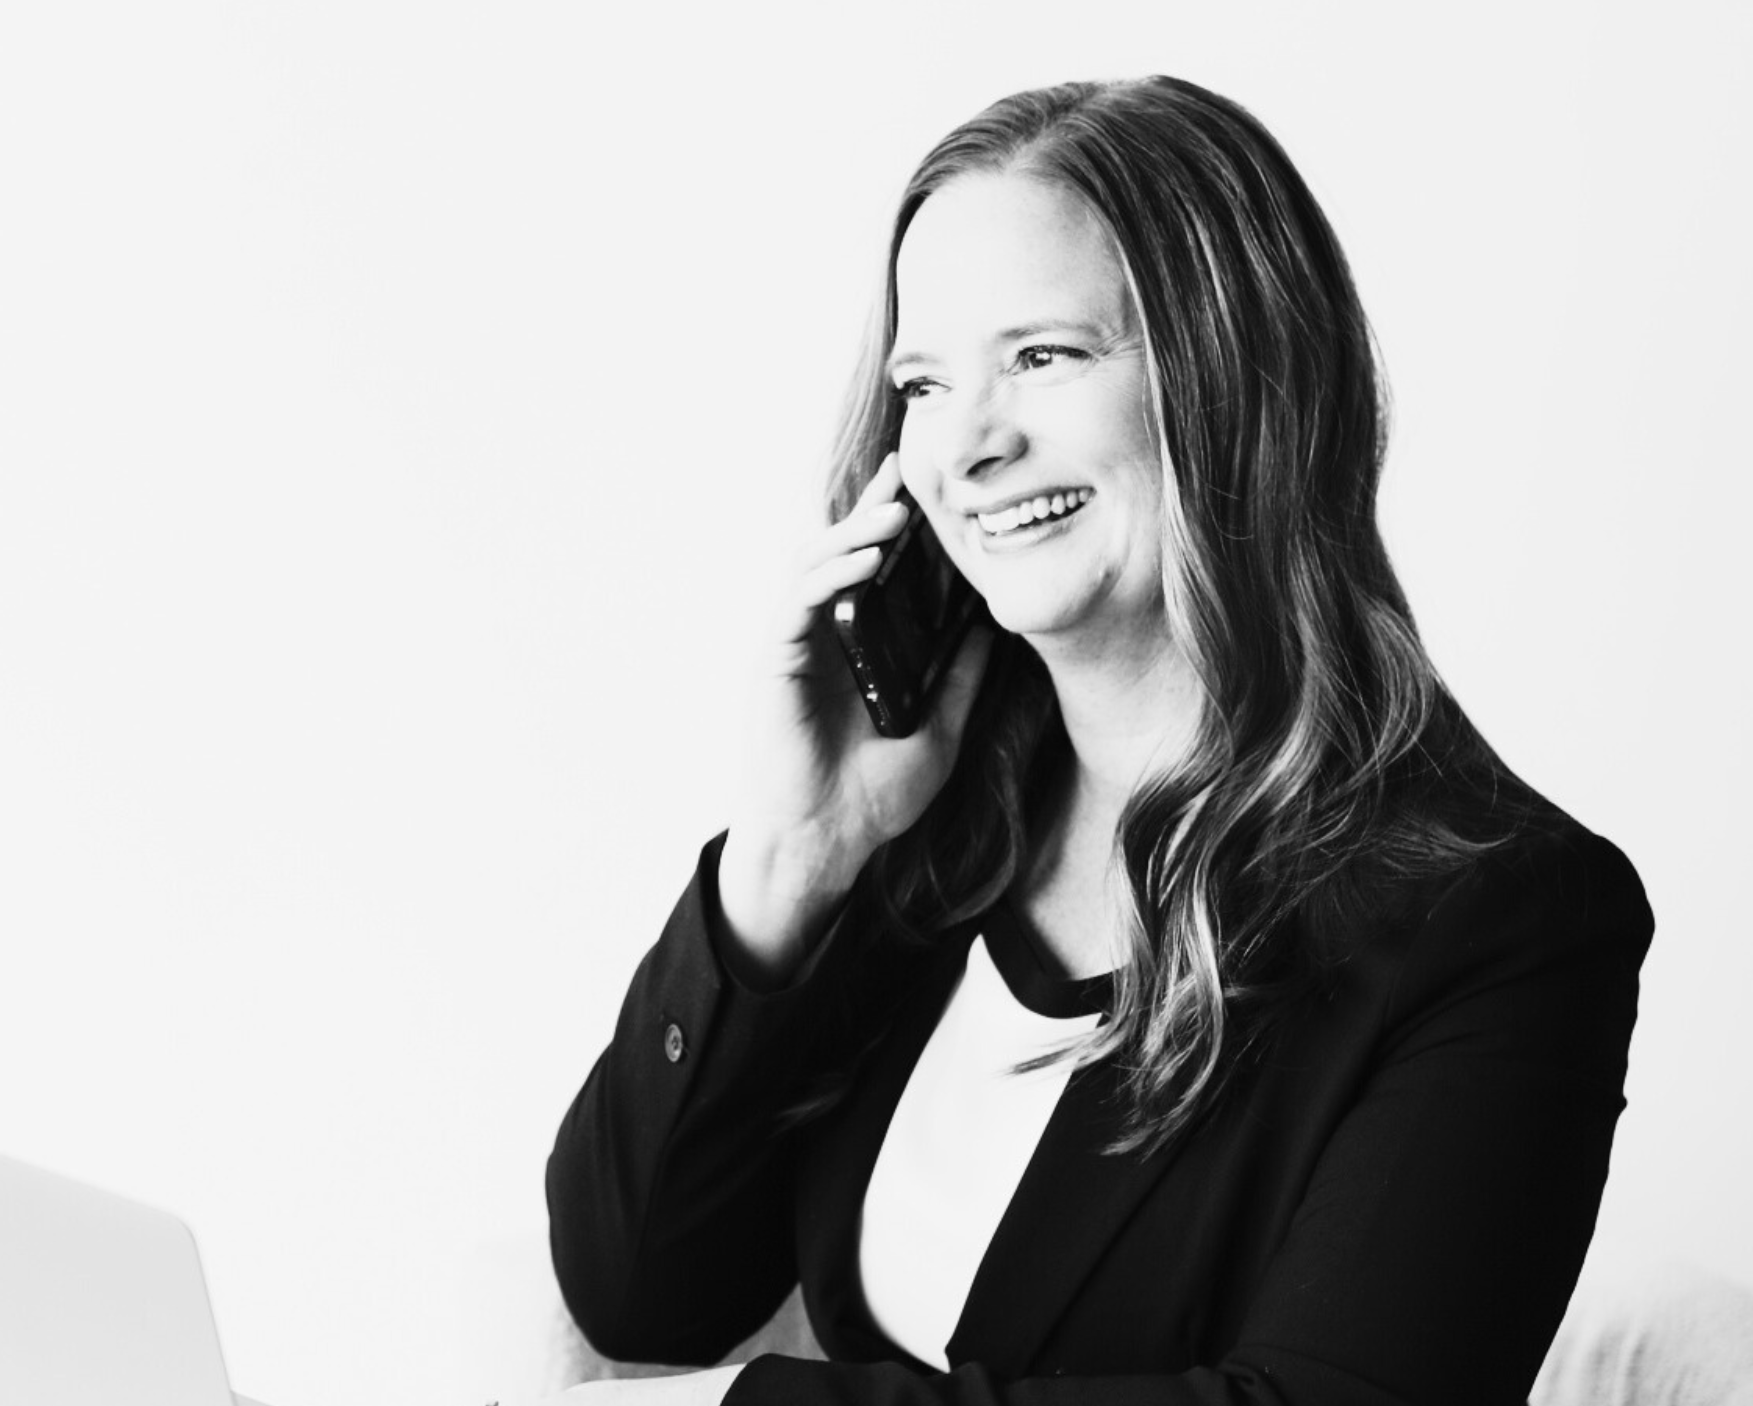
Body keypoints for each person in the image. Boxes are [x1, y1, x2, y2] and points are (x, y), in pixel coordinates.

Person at [542, 76, 1654, 1405]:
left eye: (1043, 355)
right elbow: (639, 1290)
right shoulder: (938, 826)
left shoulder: (1503, 920)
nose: (969, 443)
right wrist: (796, 855)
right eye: (924, 381)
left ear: (1237, 377)